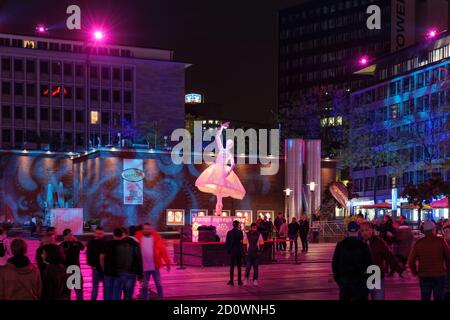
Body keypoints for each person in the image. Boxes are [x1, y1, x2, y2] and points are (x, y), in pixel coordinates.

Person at [195, 122, 246, 215]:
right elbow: (217, 137)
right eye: (228, 143)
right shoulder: (222, 149)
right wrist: (221, 127)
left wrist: (229, 172)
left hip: (223, 171)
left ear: (231, 146)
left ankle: (219, 205)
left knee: (220, 190)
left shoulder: (229, 153)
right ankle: (219, 205)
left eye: (230, 144)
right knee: (218, 189)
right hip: (218, 169)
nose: (228, 144)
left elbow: (233, 164)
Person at [359, 222, 403, 300]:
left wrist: (400, 270)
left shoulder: (378, 242)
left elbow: (389, 257)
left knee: (377, 297)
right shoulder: (359, 243)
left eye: (366, 230)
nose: (364, 233)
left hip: (375, 276)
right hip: (362, 277)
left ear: (371, 230)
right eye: (362, 231)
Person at [408, 220, 450, 300]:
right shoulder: (440, 241)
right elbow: (448, 256)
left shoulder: (419, 243)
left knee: (425, 297)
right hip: (439, 275)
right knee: (439, 297)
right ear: (434, 230)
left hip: (424, 275)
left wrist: (415, 272)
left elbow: (411, 261)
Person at [332, 221, 373, 300]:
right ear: (358, 231)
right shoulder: (363, 246)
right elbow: (370, 265)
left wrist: (338, 279)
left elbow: (335, 264)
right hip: (360, 282)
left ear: (347, 231)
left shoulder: (340, 245)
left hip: (345, 281)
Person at [136, 223, 170, 300]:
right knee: (144, 285)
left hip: (155, 266)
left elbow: (163, 251)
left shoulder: (156, 238)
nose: (146, 230)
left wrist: (167, 263)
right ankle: (145, 298)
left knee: (158, 284)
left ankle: (161, 298)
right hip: (144, 267)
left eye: (148, 229)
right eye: (145, 229)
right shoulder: (138, 239)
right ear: (143, 229)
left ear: (151, 229)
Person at [115, 226, 143, 300]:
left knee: (117, 294)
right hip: (131, 273)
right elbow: (139, 259)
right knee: (128, 296)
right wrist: (140, 275)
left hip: (119, 273)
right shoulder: (135, 243)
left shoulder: (116, 244)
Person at [59, 228, 85, 300]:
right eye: (70, 235)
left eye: (72, 234)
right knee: (67, 293)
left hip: (75, 270)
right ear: (65, 236)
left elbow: (82, 247)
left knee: (79, 292)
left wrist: (76, 240)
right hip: (67, 271)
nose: (72, 236)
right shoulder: (62, 245)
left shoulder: (75, 244)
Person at [101, 228, 124, 300]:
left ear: (113, 235)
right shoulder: (124, 245)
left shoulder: (107, 244)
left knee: (108, 293)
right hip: (119, 273)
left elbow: (101, 257)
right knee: (117, 294)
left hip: (108, 272)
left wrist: (103, 268)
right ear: (122, 235)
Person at [87, 226, 107, 300]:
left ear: (103, 233)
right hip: (97, 268)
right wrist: (93, 265)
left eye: (100, 233)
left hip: (103, 268)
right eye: (97, 233)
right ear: (95, 233)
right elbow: (88, 256)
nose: (98, 235)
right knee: (96, 287)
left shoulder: (105, 242)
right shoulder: (92, 243)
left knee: (103, 287)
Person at [225, 220, 244, 286]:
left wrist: (228, 251)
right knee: (239, 267)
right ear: (238, 225)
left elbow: (227, 243)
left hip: (232, 251)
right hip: (238, 251)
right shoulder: (240, 232)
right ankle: (239, 281)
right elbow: (242, 242)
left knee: (232, 267)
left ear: (233, 225)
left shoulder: (229, 232)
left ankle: (231, 281)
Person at [443, 225, 450, 300]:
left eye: (447, 232)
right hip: (445, 280)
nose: (444, 234)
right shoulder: (443, 244)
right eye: (444, 232)